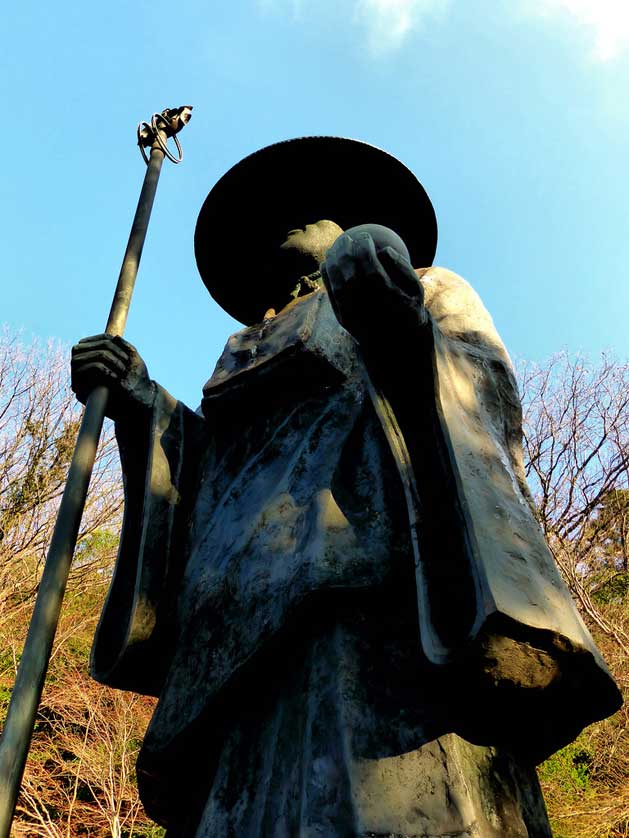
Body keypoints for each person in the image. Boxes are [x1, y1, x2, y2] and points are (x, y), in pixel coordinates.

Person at [72, 137, 621, 837]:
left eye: (313, 207)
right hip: (237, 619)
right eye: (276, 217)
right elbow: (215, 479)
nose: (289, 219)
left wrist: (397, 329)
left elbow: (479, 400)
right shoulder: (246, 343)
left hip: (374, 592)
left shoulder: (423, 284)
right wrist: (142, 401)